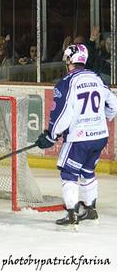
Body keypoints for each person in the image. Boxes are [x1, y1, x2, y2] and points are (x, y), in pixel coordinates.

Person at [35, 44, 117, 227]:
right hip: (100, 136)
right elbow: (114, 104)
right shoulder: (97, 78)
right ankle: (90, 210)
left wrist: (50, 134)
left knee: (68, 173)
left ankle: (71, 213)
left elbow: (63, 114)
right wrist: (102, 119)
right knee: (88, 171)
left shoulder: (67, 82)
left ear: (69, 60)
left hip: (79, 138)